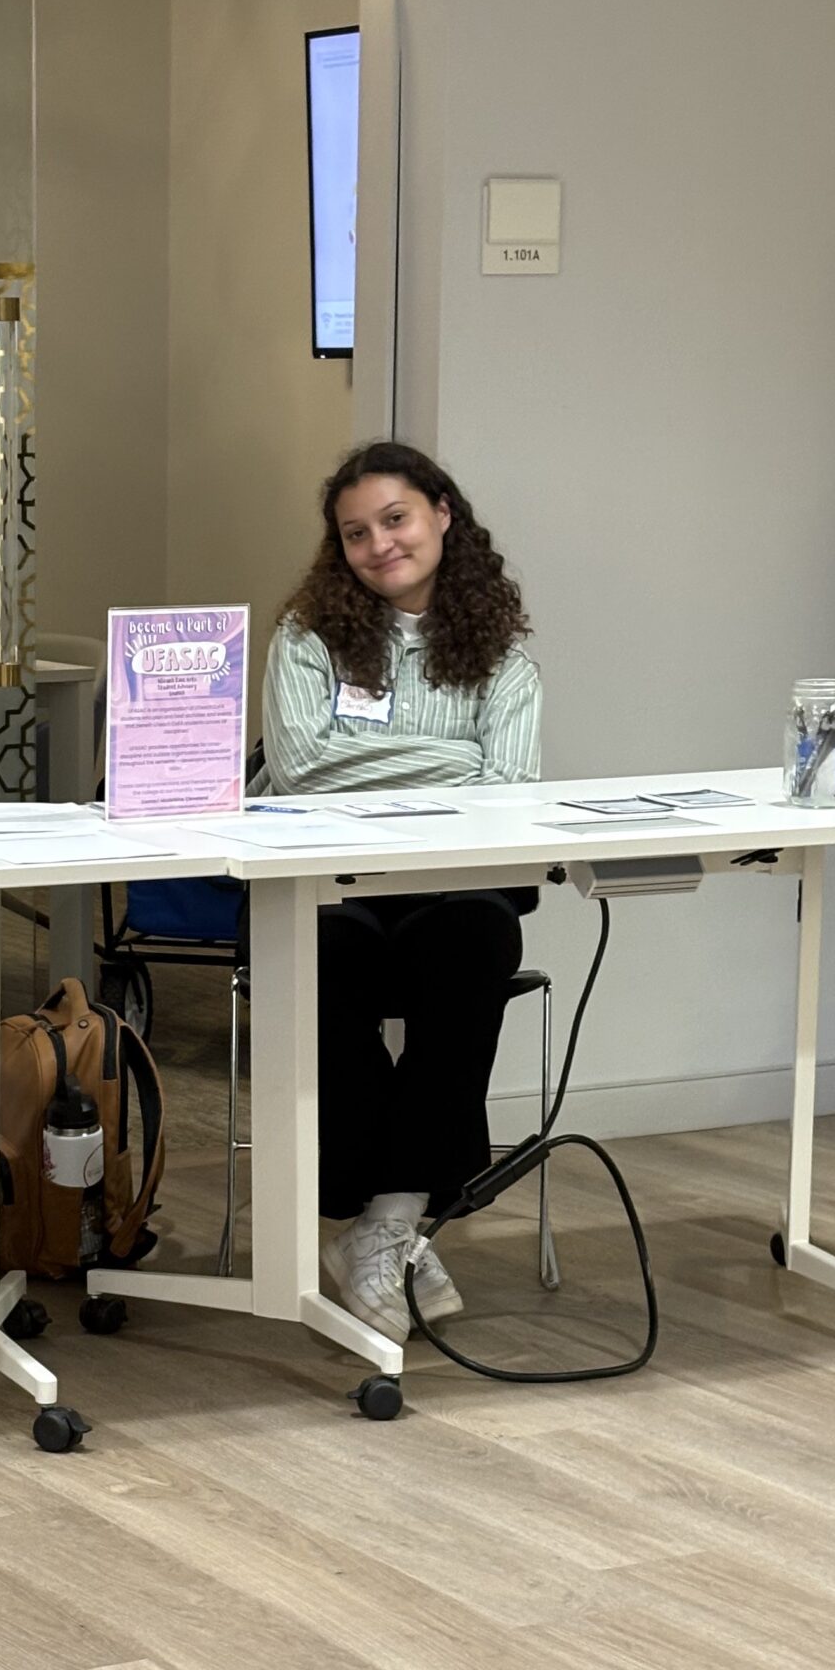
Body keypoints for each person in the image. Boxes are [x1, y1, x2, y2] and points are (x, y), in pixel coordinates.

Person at [259, 439, 542, 1341]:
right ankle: (378, 1218)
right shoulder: (307, 638)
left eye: (395, 519)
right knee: (320, 955)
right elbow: (299, 769)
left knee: (477, 947)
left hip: (450, 885)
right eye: (355, 533)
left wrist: (380, 768)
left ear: (442, 515)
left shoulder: (503, 654)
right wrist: (456, 757)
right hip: (324, 883)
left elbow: (513, 789)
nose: (379, 545)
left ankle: (387, 1222)